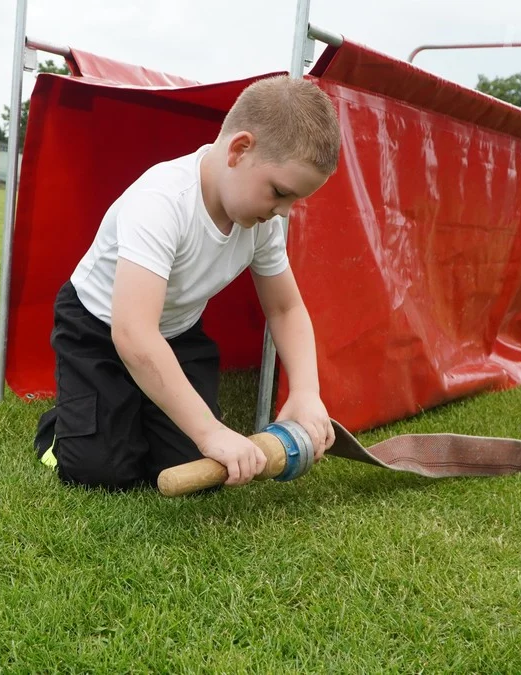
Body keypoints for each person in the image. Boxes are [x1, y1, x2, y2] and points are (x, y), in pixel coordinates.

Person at [33, 75, 341, 491]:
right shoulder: (161, 201)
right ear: (239, 149)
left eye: (292, 202)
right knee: (102, 471)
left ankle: (133, 407)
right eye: (279, 193)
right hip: (100, 330)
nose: (283, 212)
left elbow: (285, 309)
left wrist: (306, 391)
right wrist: (211, 431)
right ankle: (64, 422)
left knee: (196, 462)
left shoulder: (262, 221)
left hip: (175, 333)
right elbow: (133, 334)